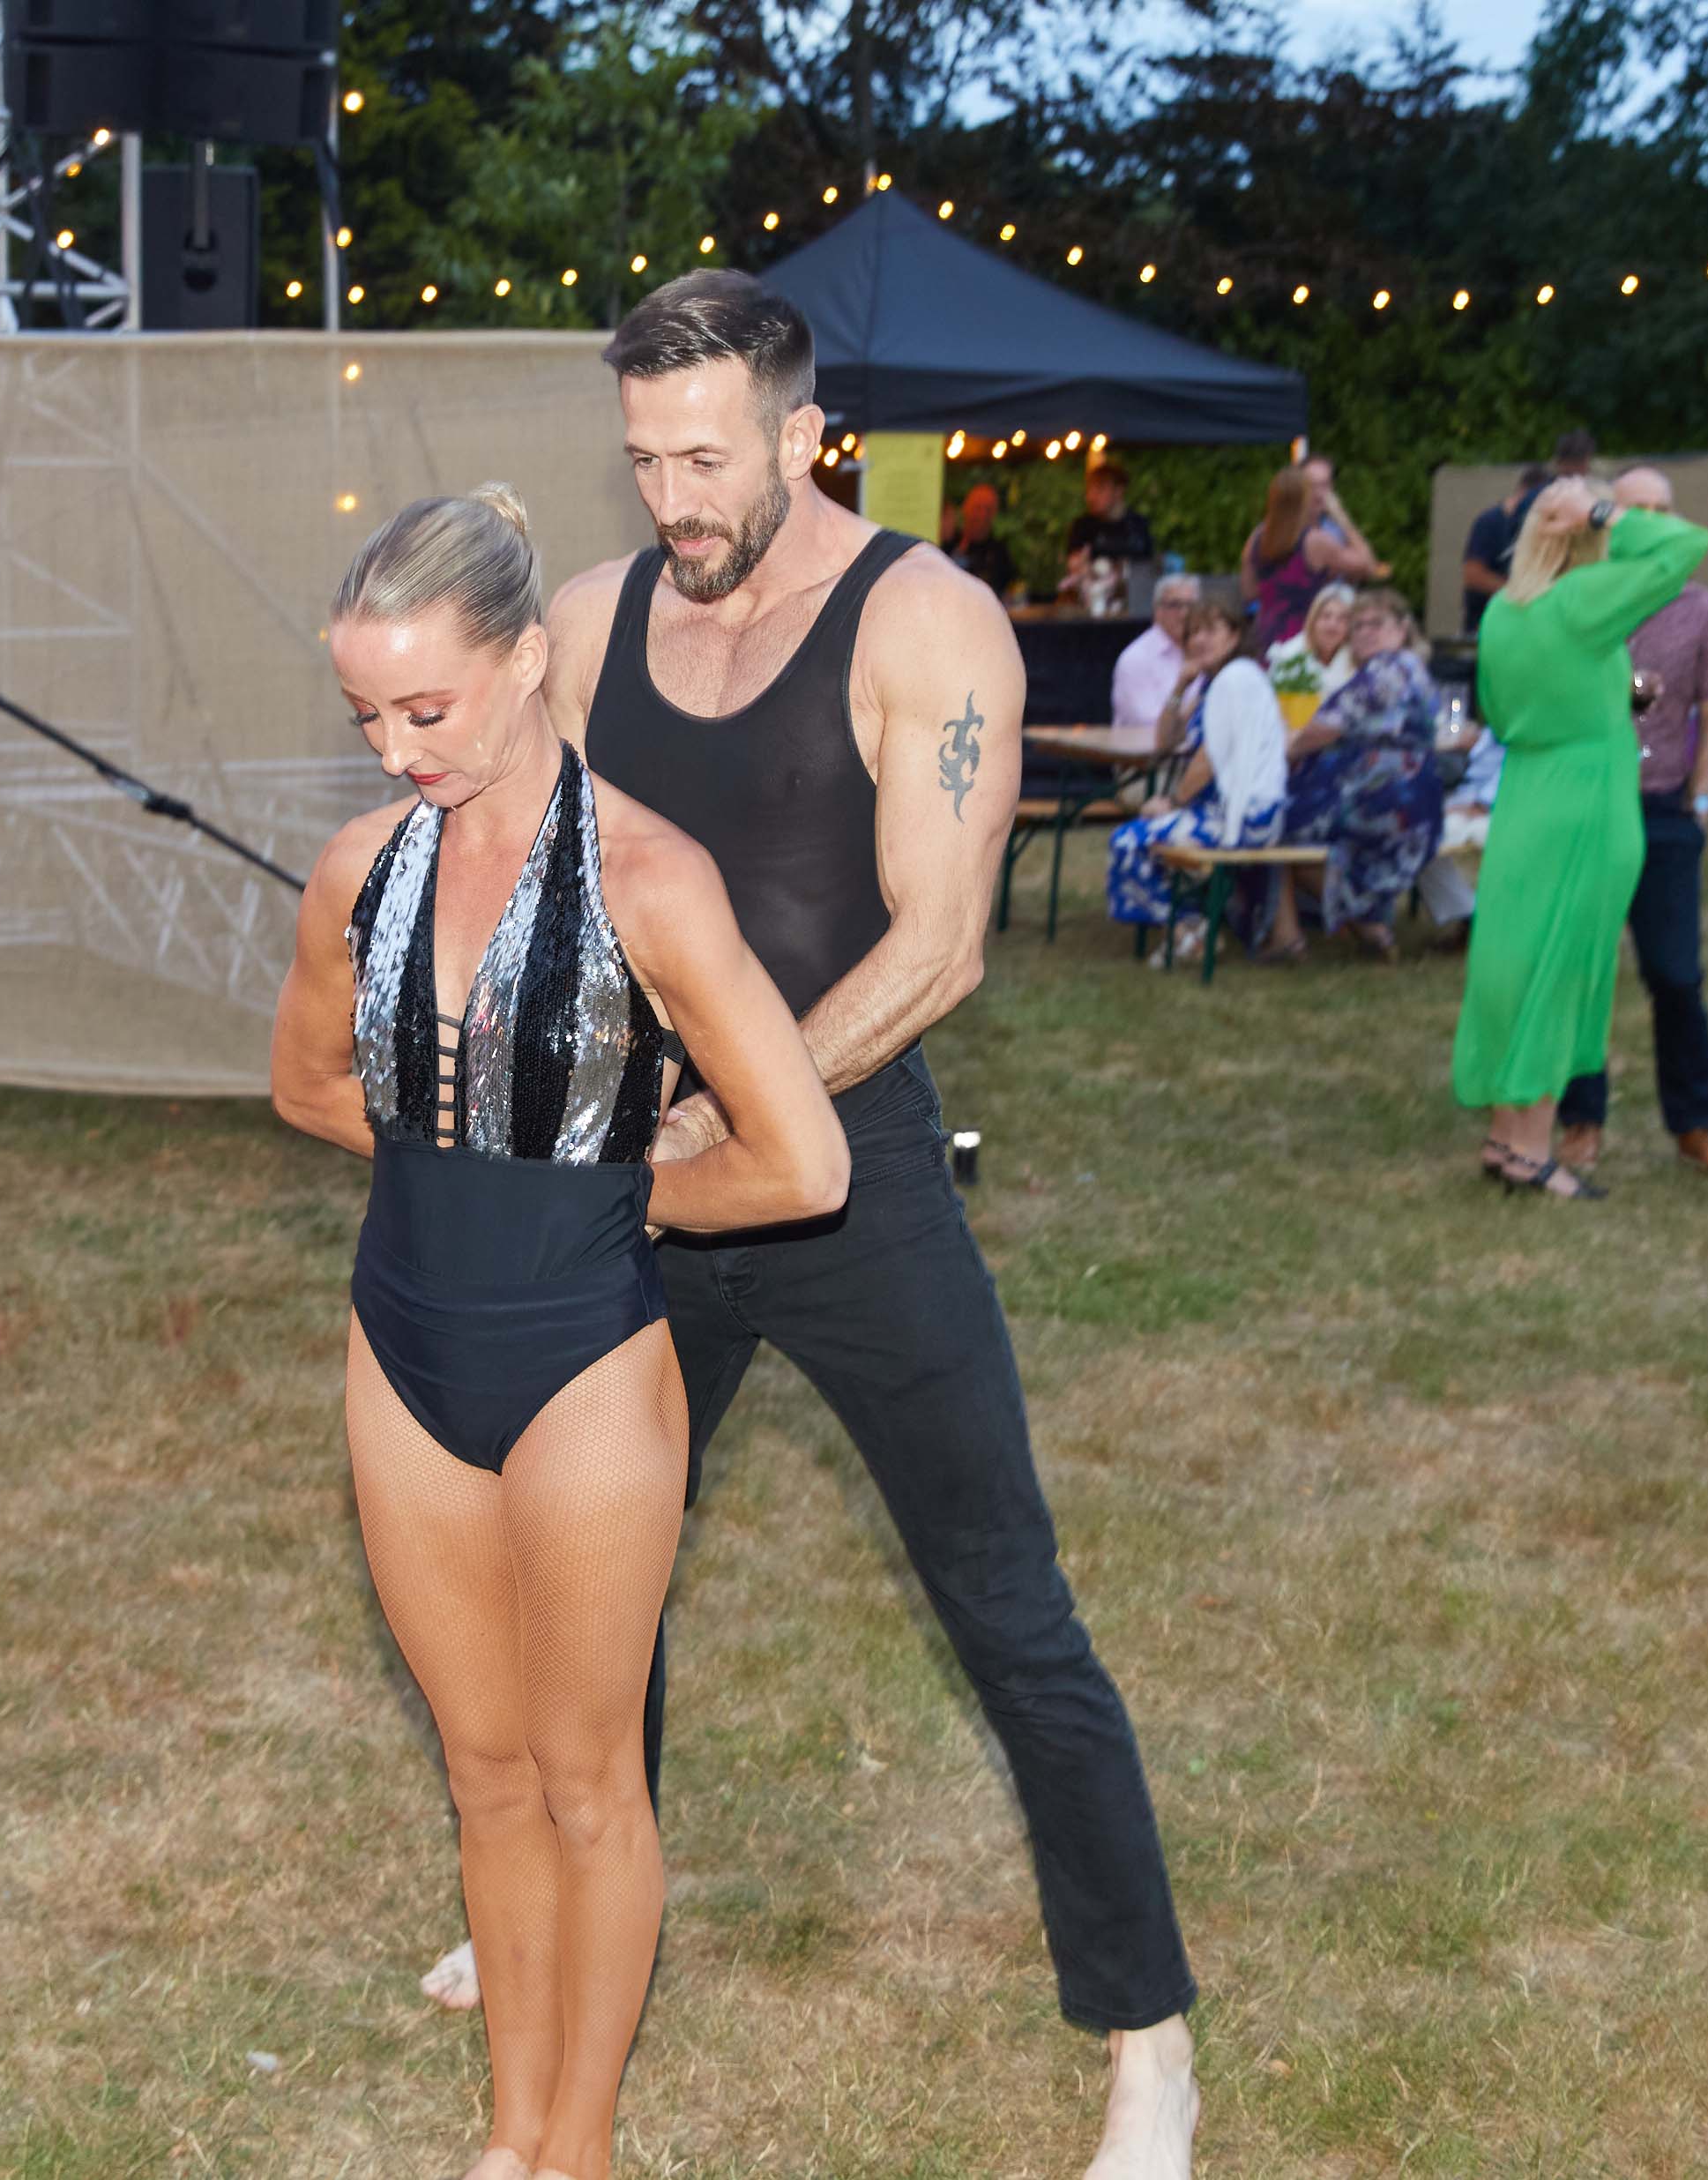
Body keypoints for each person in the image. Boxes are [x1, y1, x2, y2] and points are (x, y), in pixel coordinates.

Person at [523, 269, 1201, 2179]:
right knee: (591, 1573)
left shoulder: (925, 618)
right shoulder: (592, 624)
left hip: (849, 1173)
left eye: (707, 458)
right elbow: (542, 869)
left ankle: (1148, 2039)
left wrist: (743, 1104)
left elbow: (940, 945)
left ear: (803, 434)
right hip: (643, 1169)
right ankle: (576, 1907)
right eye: (646, 460)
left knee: (1008, 1607)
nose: (674, 498)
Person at [270, 486, 851, 2180]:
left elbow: (803, 1160)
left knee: (589, 1776)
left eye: (425, 708)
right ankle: (509, 2136)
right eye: (366, 717)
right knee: (486, 1768)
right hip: (404, 1350)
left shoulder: (651, 879)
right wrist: (475, 1146)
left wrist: (618, 1190)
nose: (396, 750)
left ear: (527, 662)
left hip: (585, 1360)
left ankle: (577, 2149)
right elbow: (306, 1085)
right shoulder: (360, 872)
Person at [1451, 475, 1708, 1200]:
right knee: (1560, 967)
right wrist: (1602, 510)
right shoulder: (1584, 601)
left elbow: (1500, 710)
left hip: (1527, 793)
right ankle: (1534, 1152)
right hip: (1586, 801)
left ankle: (1505, 1137)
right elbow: (1685, 546)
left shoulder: (1504, 611)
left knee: (1513, 960)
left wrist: (1602, 696)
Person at [1554, 467, 1708, 1183]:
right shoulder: (1579, 595)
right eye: (1634, 508)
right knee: (1582, 970)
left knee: (1676, 974)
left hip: (1662, 806)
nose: (1649, 520)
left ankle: (1695, 1125)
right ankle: (1579, 1119)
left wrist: (1700, 799)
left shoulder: (1699, 609)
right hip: (1588, 805)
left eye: (1661, 509)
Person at [1261, 587, 1443, 961]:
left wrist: (1288, 751)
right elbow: (1444, 719)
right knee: (1300, 827)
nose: (1365, 632)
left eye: (1377, 624)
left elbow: (1323, 729)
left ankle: (1289, 937)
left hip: (1376, 802)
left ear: (1402, 628)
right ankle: (1367, 928)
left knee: (1271, 823)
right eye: (1358, 625)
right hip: (1422, 804)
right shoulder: (1415, 668)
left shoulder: (1381, 673)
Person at [1104, 598, 1288, 954]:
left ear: (1234, 636)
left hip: (1244, 818)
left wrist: (1172, 803)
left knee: (1128, 841)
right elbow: (1166, 741)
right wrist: (1179, 686)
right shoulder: (1213, 683)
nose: (1200, 640)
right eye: (1194, 633)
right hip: (1229, 813)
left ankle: (1188, 933)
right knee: (1148, 837)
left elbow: (1208, 759)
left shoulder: (1235, 680)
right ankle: (1191, 929)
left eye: (1211, 630)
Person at [1239, 465, 1374, 650]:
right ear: (1304, 499)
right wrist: (1340, 516)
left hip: (1268, 636)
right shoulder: (1314, 541)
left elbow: (1249, 592)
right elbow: (1367, 564)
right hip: (1306, 639)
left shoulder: (1257, 537)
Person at [1461, 464, 1550, 636]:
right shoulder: (1490, 522)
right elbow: (1472, 575)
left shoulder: (1535, 526)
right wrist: (1519, 591)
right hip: (1483, 625)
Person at [1057, 458, 1155, 602]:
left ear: (1119, 491)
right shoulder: (1083, 526)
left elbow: (1149, 567)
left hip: (1134, 602)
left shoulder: (1138, 524)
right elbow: (1075, 564)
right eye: (1089, 490)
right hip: (1093, 602)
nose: (1091, 497)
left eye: (1100, 489)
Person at [1111, 572, 1198, 731]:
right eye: (1175, 605)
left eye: (1191, 606)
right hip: (1147, 745)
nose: (1184, 614)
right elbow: (1148, 723)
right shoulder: (1136, 659)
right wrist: (1195, 714)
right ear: (1158, 610)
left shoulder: (1204, 651)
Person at [1264, 583, 1360, 708]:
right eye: (1326, 616)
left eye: (1342, 619)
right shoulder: (1289, 655)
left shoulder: (1358, 659)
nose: (1332, 625)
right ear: (1313, 620)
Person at [1298, 452, 1393, 579]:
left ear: (1332, 487)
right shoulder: (1285, 527)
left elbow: (1370, 568)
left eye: (1324, 485)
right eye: (1312, 485)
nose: (1318, 494)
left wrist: (1341, 517)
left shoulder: (1333, 528)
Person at [951, 482, 1018, 600]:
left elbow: (1010, 591)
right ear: (966, 509)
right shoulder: (949, 544)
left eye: (988, 509)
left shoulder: (999, 552)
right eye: (978, 508)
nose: (982, 515)